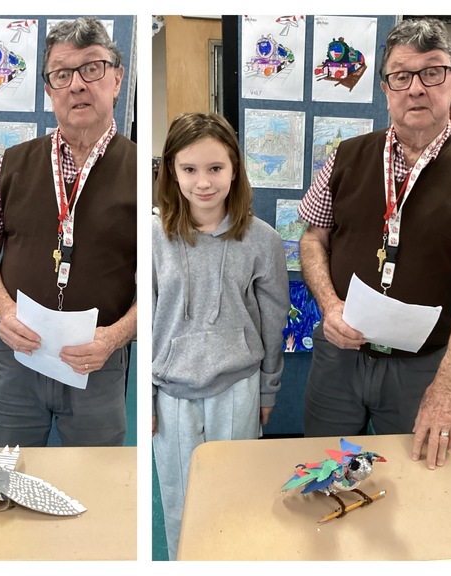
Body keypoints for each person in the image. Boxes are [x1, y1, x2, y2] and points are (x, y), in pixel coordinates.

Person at [297, 17, 451, 469]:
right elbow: (312, 239)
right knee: (325, 469)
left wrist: (449, 385)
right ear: (385, 87)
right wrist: (329, 306)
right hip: (341, 354)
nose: (416, 88)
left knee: (417, 485)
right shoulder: (347, 155)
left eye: (431, 72)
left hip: (420, 368)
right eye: (401, 75)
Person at [0, 17, 137, 447]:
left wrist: (115, 337)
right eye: (62, 74)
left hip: (96, 363)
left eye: (92, 68)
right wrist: (6, 312)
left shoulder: (145, 175)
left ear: (117, 79)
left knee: (97, 486)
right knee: (10, 478)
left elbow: (160, 280)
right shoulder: (12, 163)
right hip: (19, 355)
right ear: (49, 89)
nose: (77, 85)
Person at [152, 112, 289, 560]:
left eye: (216, 168)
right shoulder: (152, 236)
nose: (203, 183)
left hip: (237, 387)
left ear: (235, 169)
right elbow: (148, 317)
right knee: (180, 501)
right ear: (172, 171)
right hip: (171, 393)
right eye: (189, 169)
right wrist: (146, 398)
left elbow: (273, 321)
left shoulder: (262, 240)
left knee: (234, 498)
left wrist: (268, 389)